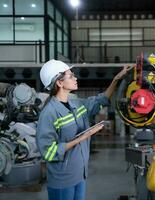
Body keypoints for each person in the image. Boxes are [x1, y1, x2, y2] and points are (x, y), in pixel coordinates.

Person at [36, 59, 132, 200]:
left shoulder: (76, 104)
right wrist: (83, 137)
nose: (75, 78)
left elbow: (100, 100)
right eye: (71, 76)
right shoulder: (49, 113)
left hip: (80, 174)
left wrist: (117, 79)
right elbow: (48, 152)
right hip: (62, 180)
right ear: (59, 83)